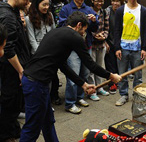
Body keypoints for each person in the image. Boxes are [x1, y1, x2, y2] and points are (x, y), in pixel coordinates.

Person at [20, 11, 122, 142]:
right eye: (84, 31)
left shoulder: (57, 32)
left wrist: (83, 84)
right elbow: (90, 63)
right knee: (32, 127)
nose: (83, 34)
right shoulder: (74, 36)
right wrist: (111, 76)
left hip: (36, 82)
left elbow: (63, 66)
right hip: (36, 83)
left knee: (47, 121)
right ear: (79, 25)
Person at [59, 0, 99, 114]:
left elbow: (95, 29)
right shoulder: (66, 9)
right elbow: (61, 27)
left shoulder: (88, 9)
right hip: (72, 49)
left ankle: (80, 97)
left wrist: (94, 21)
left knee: (85, 74)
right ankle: (70, 103)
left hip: (86, 46)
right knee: (73, 75)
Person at [0, 0, 34, 142]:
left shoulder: (12, 11)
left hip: (17, 64)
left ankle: (13, 130)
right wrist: (20, 71)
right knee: (10, 102)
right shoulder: (7, 16)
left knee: (13, 103)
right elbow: (8, 49)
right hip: (11, 68)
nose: (27, 1)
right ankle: (8, 135)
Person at [114, 0, 146, 106]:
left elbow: (145, 30)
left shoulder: (143, 11)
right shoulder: (120, 11)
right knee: (122, 74)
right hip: (123, 47)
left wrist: (144, 48)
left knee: (138, 75)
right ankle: (123, 95)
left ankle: (137, 95)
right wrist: (117, 47)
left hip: (137, 48)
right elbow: (117, 29)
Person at [88, 0, 109, 101]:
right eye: (97, 1)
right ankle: (92, 90)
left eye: (101, 1)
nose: (99, 3)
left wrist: (104, 36)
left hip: (101, 44)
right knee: (91, 68)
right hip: (91, 44)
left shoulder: (104, 12)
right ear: (92, 0)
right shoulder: (88, 11)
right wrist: (95, 35)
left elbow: (106, 27)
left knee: (100, 67)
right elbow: (86, 28)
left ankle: (99, 87)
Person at [105, 0, 125, 94]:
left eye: (118, 1)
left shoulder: (124, 11)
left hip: (121, 42)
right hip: (109, 41)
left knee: (120, 63)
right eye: (113, 1)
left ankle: (120, 82)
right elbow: (103, 27)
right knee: (110, 63)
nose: (115, 4)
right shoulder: (107, 11)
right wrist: (105, 41)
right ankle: (111, 83)